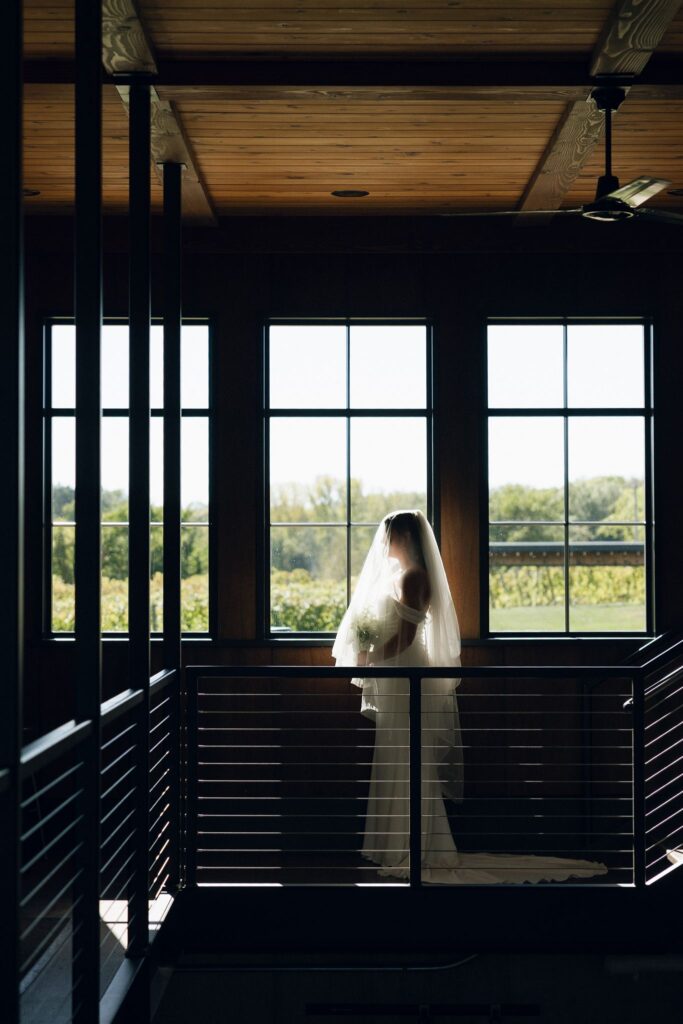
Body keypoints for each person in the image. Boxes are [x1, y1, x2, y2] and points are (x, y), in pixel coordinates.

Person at [333, 510, 608, 884]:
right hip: (398, 672)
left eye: (390, 536)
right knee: (397, 753)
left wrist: (370, 659)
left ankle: (416, 847)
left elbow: (408, 637)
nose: (384, 543)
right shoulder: (403, 574)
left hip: (407, 671)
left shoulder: (414, 576)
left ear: (404, 538)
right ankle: (395, 842)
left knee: (408, 756)